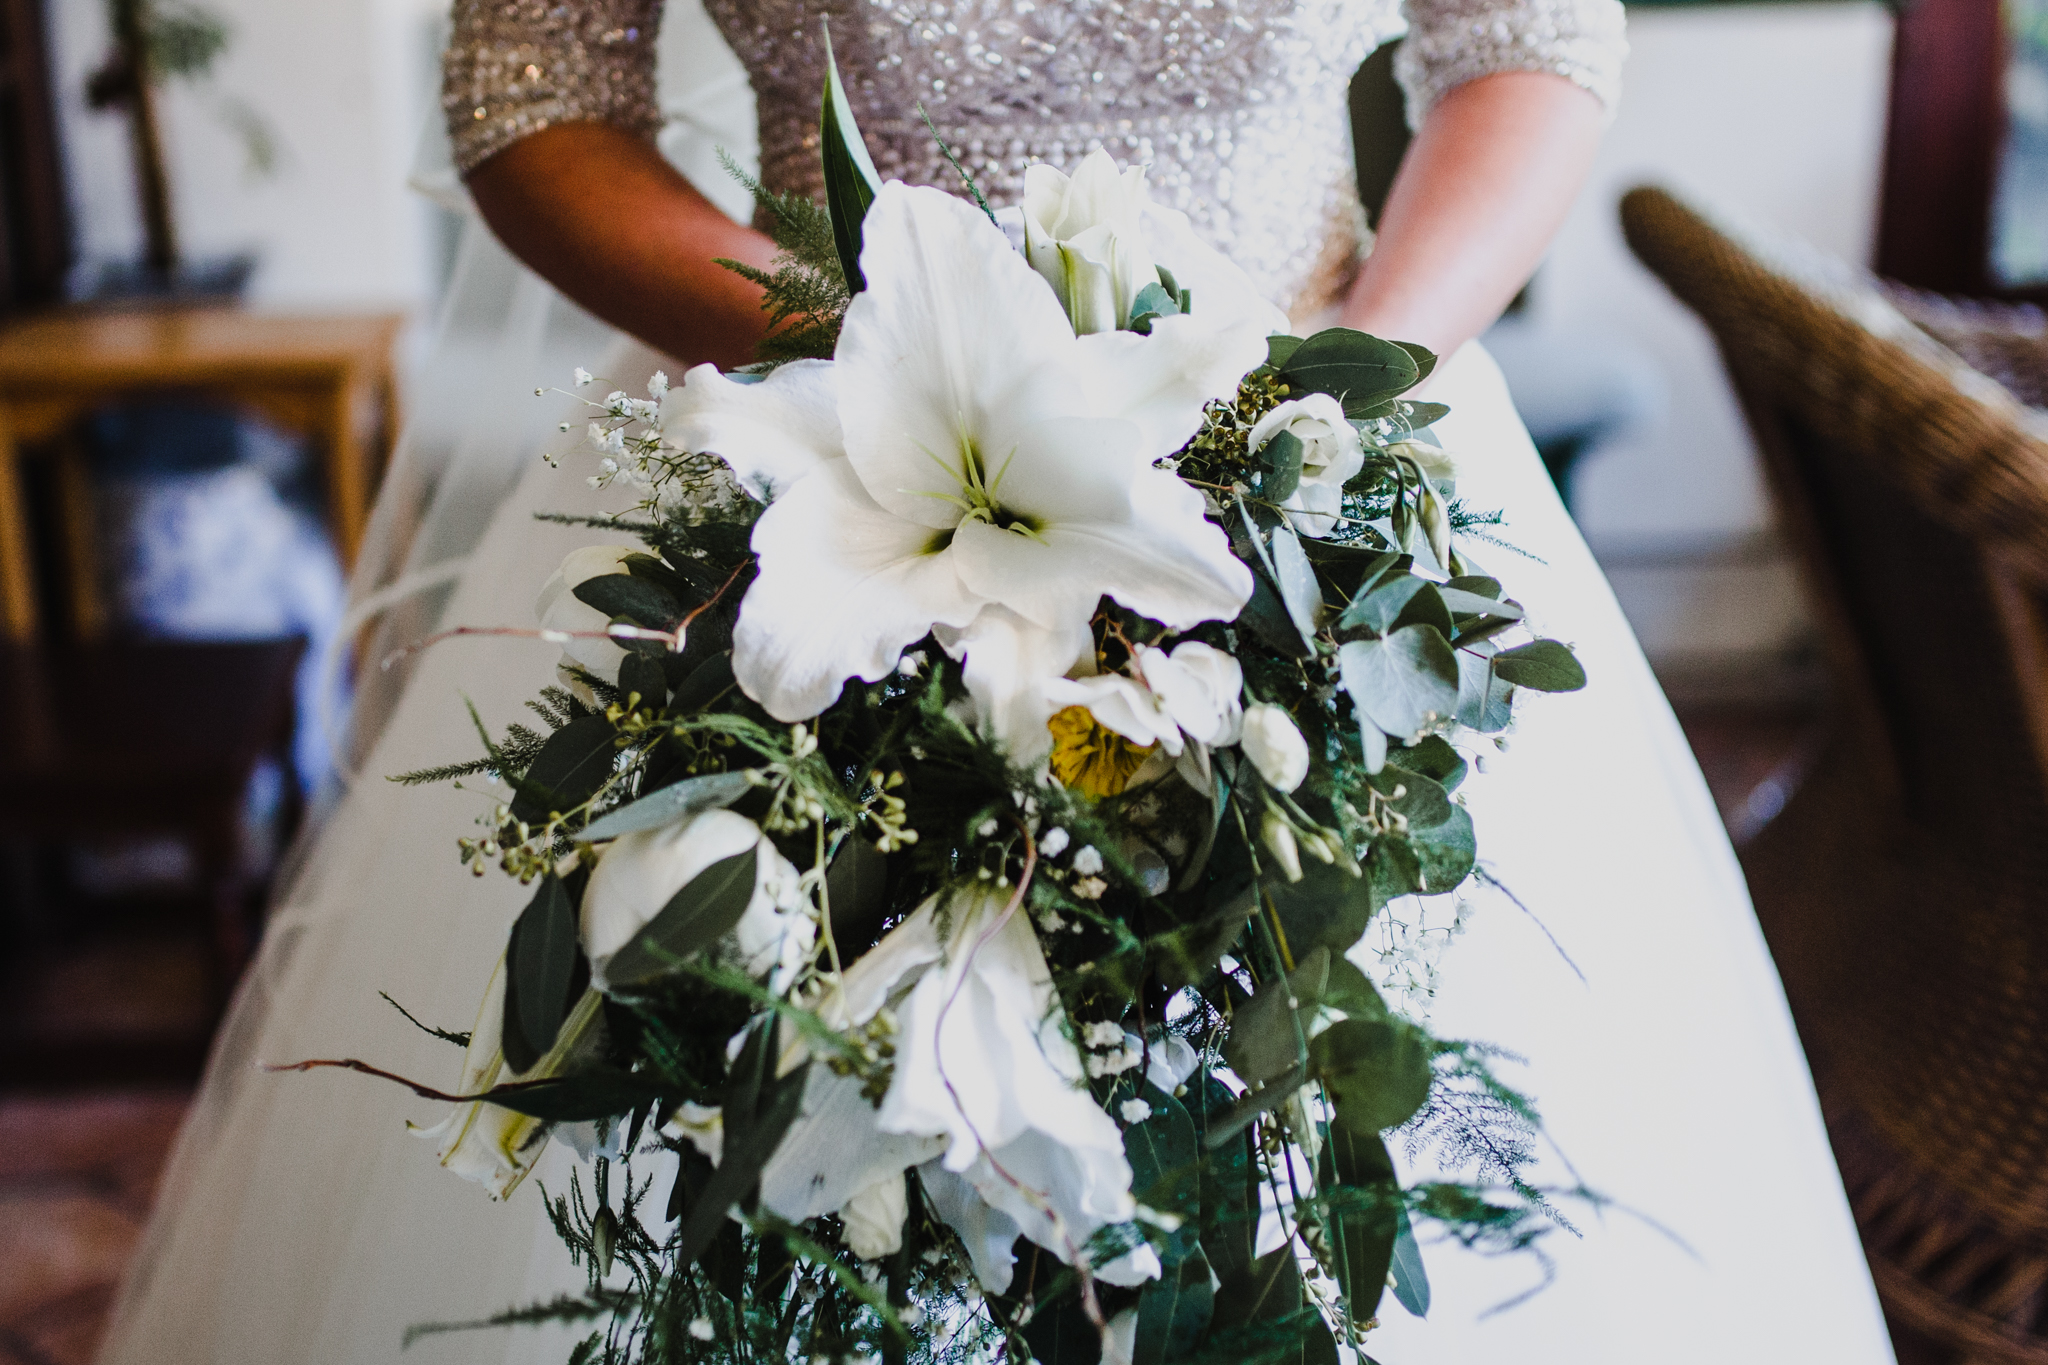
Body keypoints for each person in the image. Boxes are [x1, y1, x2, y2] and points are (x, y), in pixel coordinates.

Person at [97, 3, 1899, 1362]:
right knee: (785, 1186)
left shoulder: (1311, 421)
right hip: (814, 461)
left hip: (1302, 456)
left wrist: (1307, 410)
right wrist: (896, 362)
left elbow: (1527, 35)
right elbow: (535, 91)